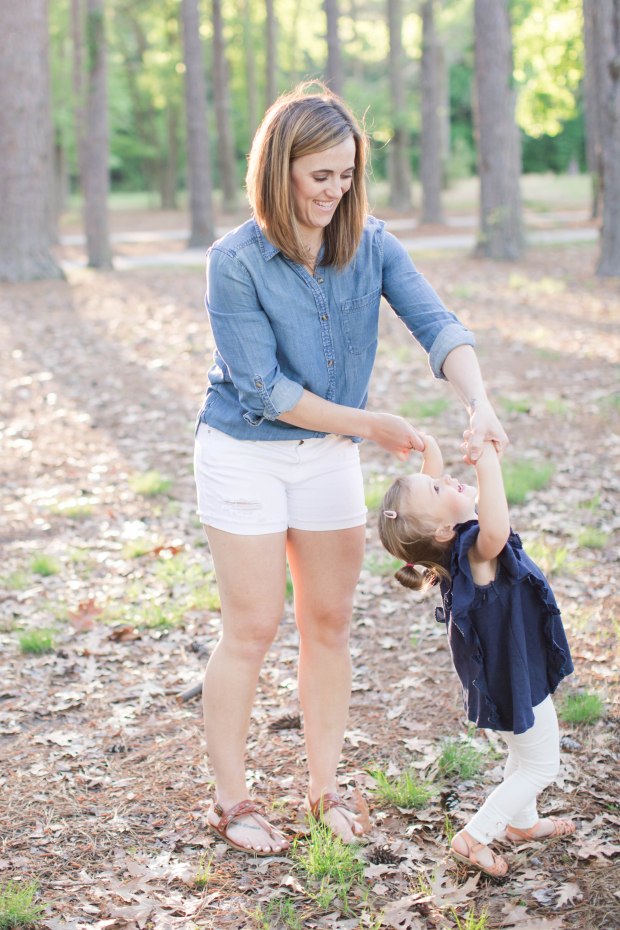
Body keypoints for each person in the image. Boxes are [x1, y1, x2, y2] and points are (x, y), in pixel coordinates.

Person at [193, 81, 508, 856]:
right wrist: (369, 424)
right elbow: (265, 390)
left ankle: (324, 788)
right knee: (253, 626)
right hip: (243, 453)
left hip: (326, 455)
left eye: (346, 174)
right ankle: (232, 801)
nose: (335, 191)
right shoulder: (235, 261)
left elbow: (437, 324)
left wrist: (479, 402)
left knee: (329, 622)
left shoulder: (371, 242)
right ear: (279, 170)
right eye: (319, 176)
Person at [377, 433, 575, 877]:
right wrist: (487, 461)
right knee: (542, 766)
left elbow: (431, 501)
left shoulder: (447, 546)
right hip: (513, 678)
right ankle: (475, 836)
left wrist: (430, 452)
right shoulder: (477, 553)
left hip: (505, 676)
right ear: (442, 529)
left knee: (523, 753)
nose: (447, 479)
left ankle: (522, 824)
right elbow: (497, 528)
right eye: (438, 487)